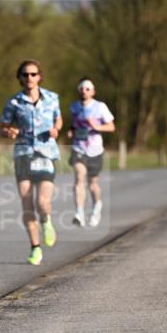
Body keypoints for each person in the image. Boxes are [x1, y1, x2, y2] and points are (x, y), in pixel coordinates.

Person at [0, 59, 62, 266]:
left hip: (45, 154)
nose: (29, 78)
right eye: (25, 75)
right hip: (24, 154)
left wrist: (56, 129)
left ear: (39, 77)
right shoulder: (14, 102)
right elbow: (4, 125)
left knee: (42, 202)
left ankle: (46, 221)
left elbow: (58, 119)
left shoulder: (52, 98)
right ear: (19, 78)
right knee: (27, 203)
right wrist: (9, 131)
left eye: (33, 74)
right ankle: (35, 247)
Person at [68, 78, 115, 227]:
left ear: (93, 91)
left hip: (94, 149)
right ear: (78, 90)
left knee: (92, 183)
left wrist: (97, 127)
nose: (84, 91)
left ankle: (96, 207)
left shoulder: (100, 107)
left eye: (88, 88)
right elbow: (73, 125)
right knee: (79, 177)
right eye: (82, 88)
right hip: (78, 147)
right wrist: (71, 131)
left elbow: (111, 127)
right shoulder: (74, 107)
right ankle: (79, 213)